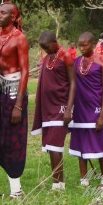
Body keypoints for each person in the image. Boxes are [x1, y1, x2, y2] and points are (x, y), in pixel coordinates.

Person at [0, 2, 30, 200]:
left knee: (13, 141)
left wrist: (18, 106)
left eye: (3, 13)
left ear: (13, 17)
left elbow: (25, 71)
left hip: (13, 95)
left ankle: (16, 189)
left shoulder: (19, 39)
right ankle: (14, 185)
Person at [31, 31, 75, 190]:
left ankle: (59, 184)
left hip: (61, 107)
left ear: (54, 42)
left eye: (47, 47)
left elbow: (73, 84)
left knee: (55, 145)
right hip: (47, 107)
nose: (46, 51)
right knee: (50, 146)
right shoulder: (48, 57)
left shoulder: (66, 57)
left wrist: (69, 109)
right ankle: (56, 181)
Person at [69, 32, 103, 187]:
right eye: (79, 45)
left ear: (93, 44)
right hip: (80, 108)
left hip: (96, 108)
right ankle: (83, 178)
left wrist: (102, 115)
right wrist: (69, 108)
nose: (81, 48)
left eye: (84, 45)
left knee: (98, 142)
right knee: (81, 143)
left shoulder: (102, 60)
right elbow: (73, 85)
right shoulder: (77, 61)